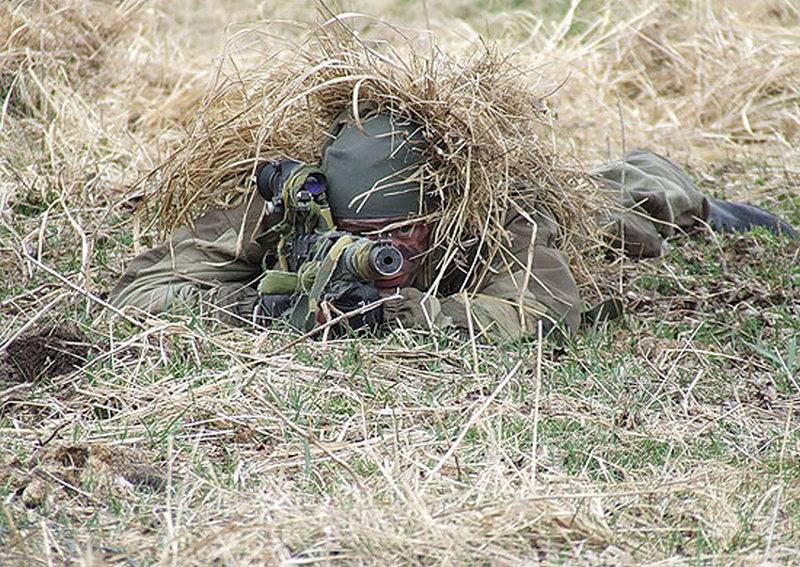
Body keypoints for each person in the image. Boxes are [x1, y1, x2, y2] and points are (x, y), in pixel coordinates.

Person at [109, 105, 797, 341]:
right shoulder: (292, 210)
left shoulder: (492, 213)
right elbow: (143, 292)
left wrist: (397, 315)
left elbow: (545, 311)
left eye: (398, 235)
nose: (375, 253)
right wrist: (275, 307)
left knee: (627, 207)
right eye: (357, 236)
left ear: (436, 217)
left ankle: (704, 201)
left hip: (573, 210)